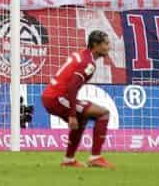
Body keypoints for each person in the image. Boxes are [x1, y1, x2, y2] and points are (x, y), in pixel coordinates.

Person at [41, 30, 114, 168]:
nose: (108, 47)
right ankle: (95, 157)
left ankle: (69, 160)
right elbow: (72, 87)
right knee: (103, 113)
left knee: (83, 118)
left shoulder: (82, 55)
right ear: (95, 45)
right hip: (57, 98)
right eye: (106, 44)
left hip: (52, 96)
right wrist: (72, 115)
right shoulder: (88, 63)